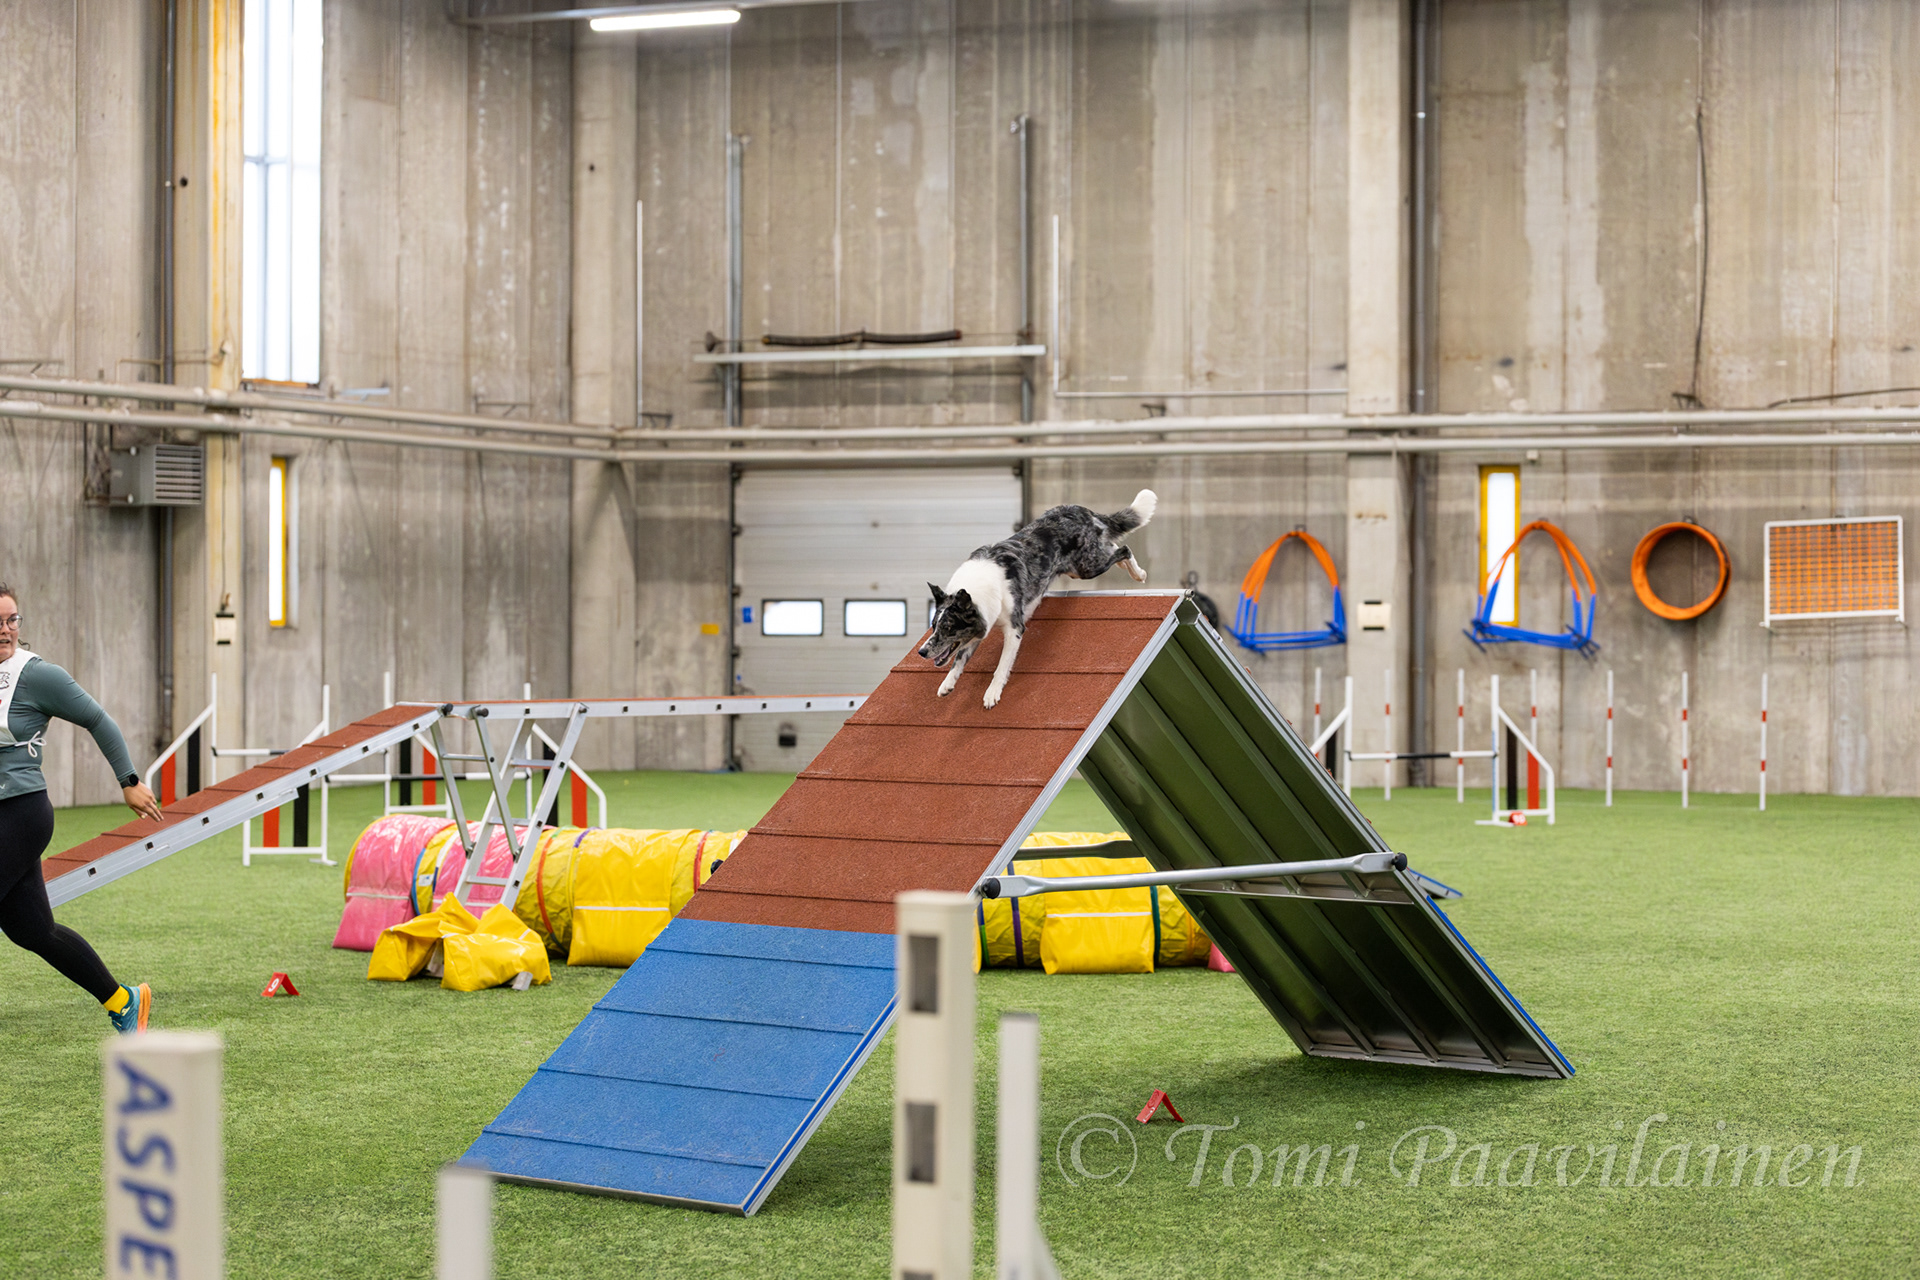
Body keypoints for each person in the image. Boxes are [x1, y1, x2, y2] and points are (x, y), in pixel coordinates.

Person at [0, 584, 162, 1033]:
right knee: (33, 930)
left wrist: (129, 781)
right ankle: (123, 1001)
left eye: (12, 620)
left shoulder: (38, 675)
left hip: (21, 813)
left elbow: (97, 719)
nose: (6, 630)